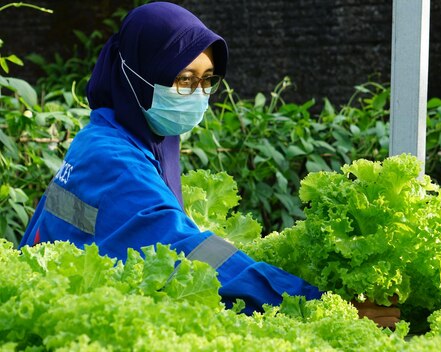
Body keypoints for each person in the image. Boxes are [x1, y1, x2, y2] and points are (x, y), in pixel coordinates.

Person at [19, 1, 399, 327]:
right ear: (139, 75)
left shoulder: (114, 135)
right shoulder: (112, 159)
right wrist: (312, 302)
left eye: (207, 80)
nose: (197, 95)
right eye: (183, 79)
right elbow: (186, 250)